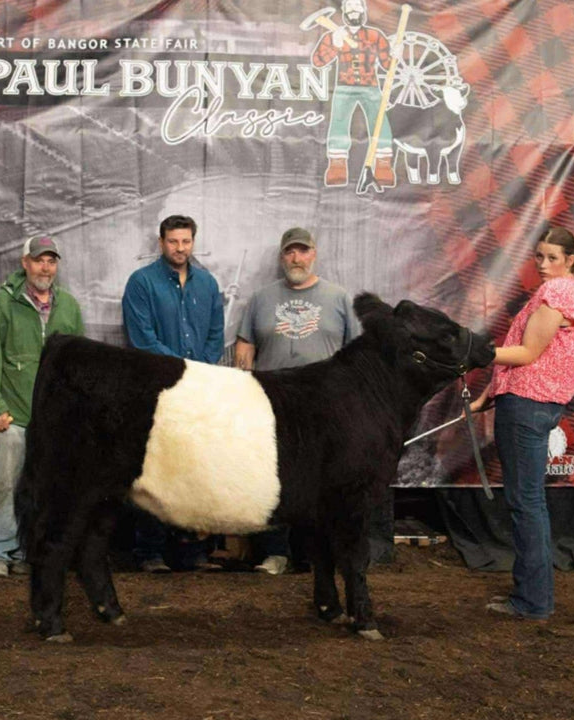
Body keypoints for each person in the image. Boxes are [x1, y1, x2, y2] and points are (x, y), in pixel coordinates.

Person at [472, 227, 574, 620]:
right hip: (527, 402)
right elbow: (534, 357)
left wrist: (478, 353)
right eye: (538, 256)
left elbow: (528, 352)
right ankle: (533, 596)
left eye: (552, 257)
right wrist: (490, 395)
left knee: (526, 502)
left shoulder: (559, 293)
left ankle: (532, 601)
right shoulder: (561, 291)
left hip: (528, 406)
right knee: (528, 501)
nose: (543, 264)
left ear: (570, 259)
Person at [235, 227, 360, 575]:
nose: (296, 258)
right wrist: (245, 388)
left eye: (302, 251)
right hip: (272, 405)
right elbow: (245, 347)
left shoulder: (338, 298)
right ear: (282, 256)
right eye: (290, 252)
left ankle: (312, 555)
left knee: (321, 480)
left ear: (314, 254)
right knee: (273, 477)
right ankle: (275, 553)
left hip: (325, 405)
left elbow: (356, 352)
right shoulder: (261, 298)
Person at [0, 235, 84, 578]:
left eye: (51, 261)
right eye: (39, 260)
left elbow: (78, 363)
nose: (45, 267)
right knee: (7, 483)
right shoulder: (5, 303)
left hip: (53, 420)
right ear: (25, 263)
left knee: (44, 487)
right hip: (13, 418)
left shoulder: (68, 306)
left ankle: (27, 550)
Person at [122, 214, 224, 572]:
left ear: (193, 241)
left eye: (186, 241)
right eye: (173, 241)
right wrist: (181, 370)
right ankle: (149, 551)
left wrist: (201, 372)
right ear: (161, 242)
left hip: (197, 391)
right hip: (157, 391)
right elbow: (142, 338)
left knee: (193, 469)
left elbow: (215, 334)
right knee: (155, 469)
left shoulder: (208, 284)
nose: (180, 248)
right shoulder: (141, 283)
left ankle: (192, 552)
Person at [311, 0, 398, 187]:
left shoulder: (376, 36)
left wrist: (396, 56)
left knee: (380, 123)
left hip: (371, 87)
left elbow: (387, 65)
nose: (353, 10)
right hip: (344, 87)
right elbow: (318, 62)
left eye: (357, 6)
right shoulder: (334, 35)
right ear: (343, 12)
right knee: (339, 123)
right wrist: (334, 44)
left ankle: (383, 167)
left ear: (364, 10)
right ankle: (337, 167)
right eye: (349, 7)